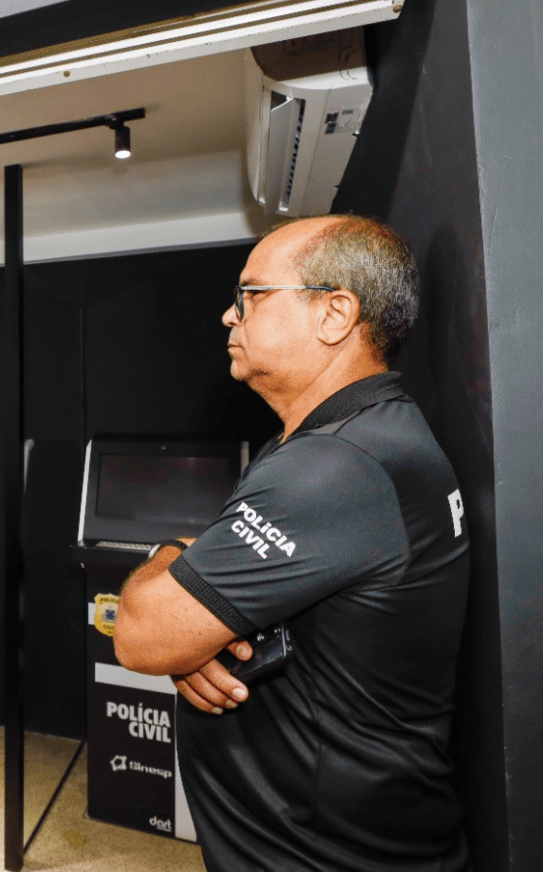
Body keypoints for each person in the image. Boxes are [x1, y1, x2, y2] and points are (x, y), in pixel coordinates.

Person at [113, 215, 470, 871]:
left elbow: (139, 631)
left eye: (251, 295)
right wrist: (192, 622)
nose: (229, 314)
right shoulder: (352, 439)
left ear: (335, 313)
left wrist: (169, 567)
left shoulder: (337, 466)